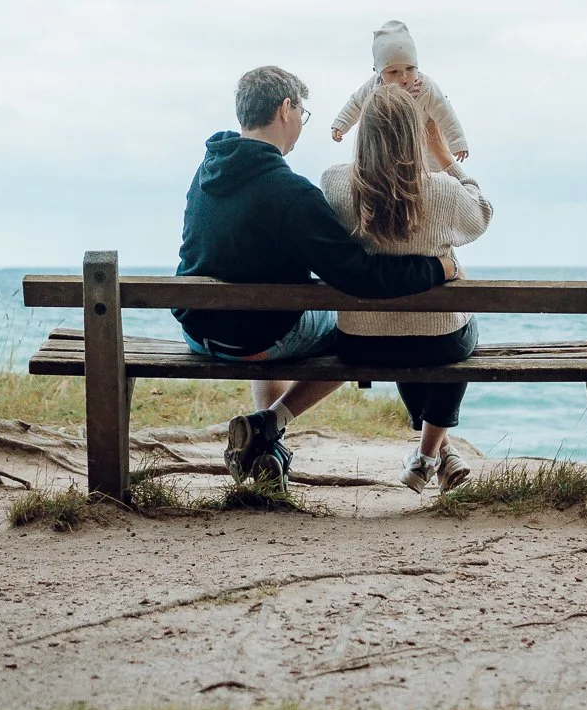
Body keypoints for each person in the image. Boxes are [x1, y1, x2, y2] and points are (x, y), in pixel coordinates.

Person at [174, 65, 457, 490]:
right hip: (256, 339)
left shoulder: (208, 169)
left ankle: (267, 448)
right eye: (303, 114)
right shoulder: (291, 193)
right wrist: (437, 268)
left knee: (262, 311)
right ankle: (272, 425)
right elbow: (360, 277)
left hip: (199, 331)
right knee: (358, 329)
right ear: (286, 109)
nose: (301, 125)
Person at [321, 85, 491, 495]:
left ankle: (435, 455)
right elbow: (482, 215)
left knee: (400, 328)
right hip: (438, 343)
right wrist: (448, 159)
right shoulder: (443, 191)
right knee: (450, 335)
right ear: (415, 135)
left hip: (362, 341)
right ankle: (429, 455)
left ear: (365, 135)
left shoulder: (333, 183)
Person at [330, 19, 469, 161]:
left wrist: (457, 142)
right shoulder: (374, 87)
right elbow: (356, 103)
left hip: (427, 151)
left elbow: (446, 114)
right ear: (379, 72)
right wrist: (341, 124)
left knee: (431, 173)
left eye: (410, 69)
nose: (403, 77)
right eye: (393, 72)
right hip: (390, 151)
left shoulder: (425, 88)